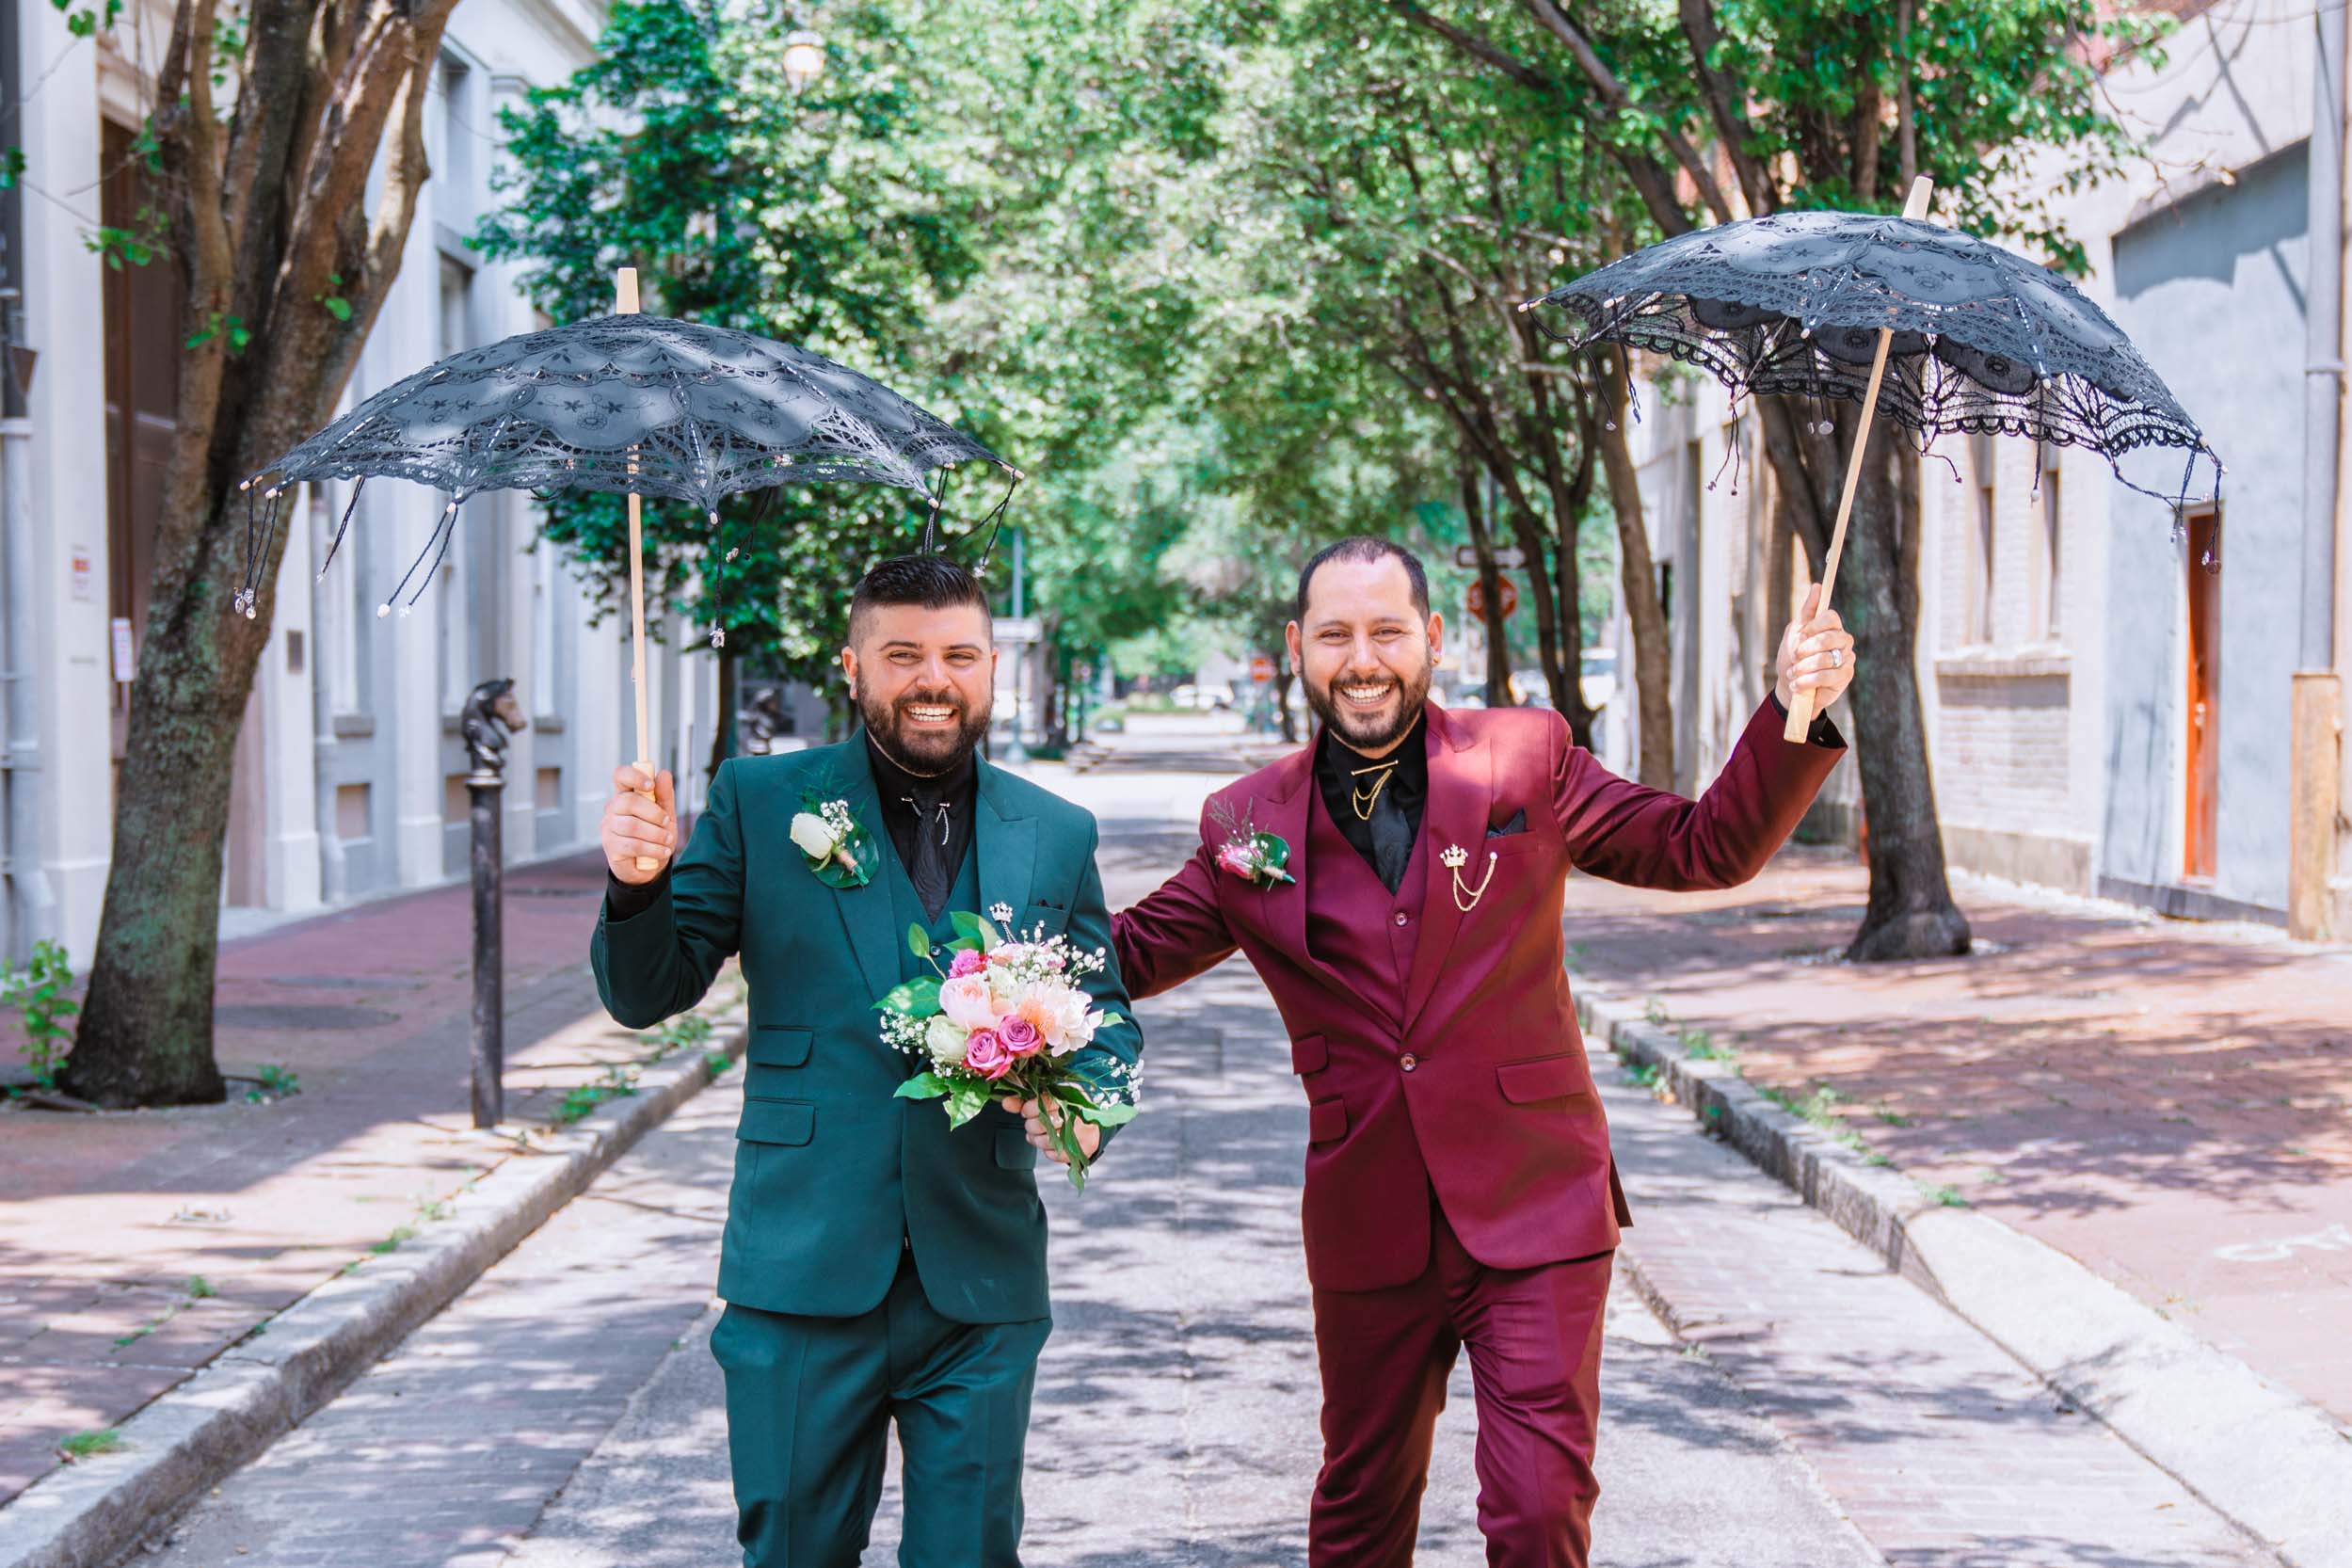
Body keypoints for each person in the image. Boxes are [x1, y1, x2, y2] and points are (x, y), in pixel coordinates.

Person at [1043, 535, 1850, 1567]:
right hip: (1368, 1218)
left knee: (1537, 1509)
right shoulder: (1244, 821)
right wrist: (990, 978)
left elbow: (1705, 846)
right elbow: (1131, 952)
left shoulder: (1527, 755)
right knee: (1361, 1509)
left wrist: (1797, 714)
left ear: (1431, 638)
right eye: (1336, 634)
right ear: (1298, 647)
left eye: (1386, 631)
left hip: (1536, 1200)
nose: (1362, 658)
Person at [593, 553, 1141, 1568]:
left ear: (989, 668)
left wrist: (1092, 1102)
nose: (934, 678)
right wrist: (637, 887)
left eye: (959, 655)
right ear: (853, 666)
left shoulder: (1056, 831)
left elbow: (1102, 1011)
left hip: (978, 1279)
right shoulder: (762, 801)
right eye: (904, 654)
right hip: (800, 1272)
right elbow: (649, 988)